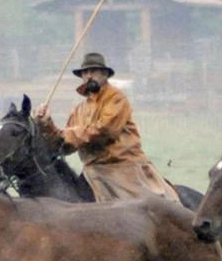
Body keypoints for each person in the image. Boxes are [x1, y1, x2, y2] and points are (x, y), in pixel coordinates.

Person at [35, 52, 180, 203]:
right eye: (85, 72)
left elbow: (104, 131)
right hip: (93, 172)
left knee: (146, 210)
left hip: (123, 167)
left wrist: (66, 133)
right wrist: (46, 124)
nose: (88, 76)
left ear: (104, 74)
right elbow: (65, 147)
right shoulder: (79, 110)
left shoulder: (116, 98)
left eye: (93, 71)